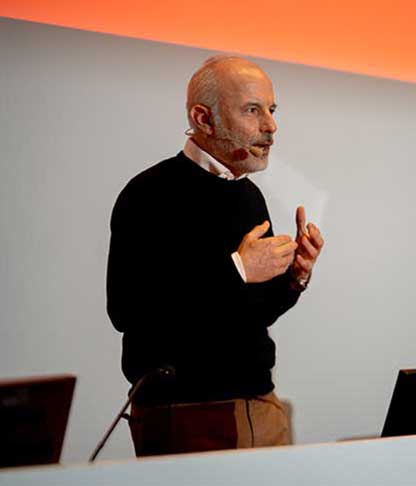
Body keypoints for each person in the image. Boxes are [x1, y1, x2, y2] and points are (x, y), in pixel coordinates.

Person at [106, 55, 324, 455]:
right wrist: (237, 269)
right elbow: (127, 310)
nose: (271, 126)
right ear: (203, 119)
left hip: (262, 404)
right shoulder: (149, 194)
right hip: (187, 412)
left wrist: (294, 277)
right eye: (252, 110)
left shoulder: (248, 195)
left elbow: (254, 312)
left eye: (271, 110)